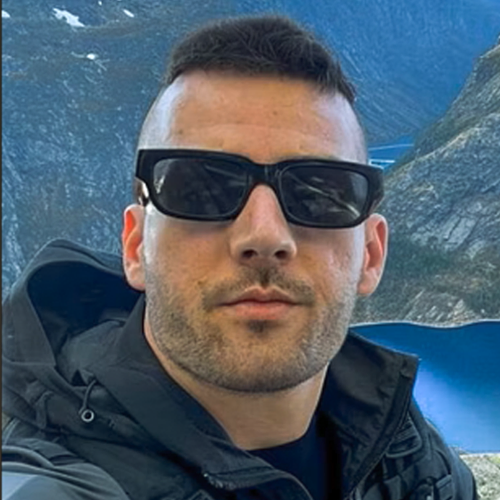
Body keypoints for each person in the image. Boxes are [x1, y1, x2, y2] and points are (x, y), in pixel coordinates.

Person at [2, 15, 476, 500]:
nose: (264, 235)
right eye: (200, 190)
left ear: (371, 255)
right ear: (136, 247)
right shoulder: (51, 482)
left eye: (318, 194)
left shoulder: (416, 463)